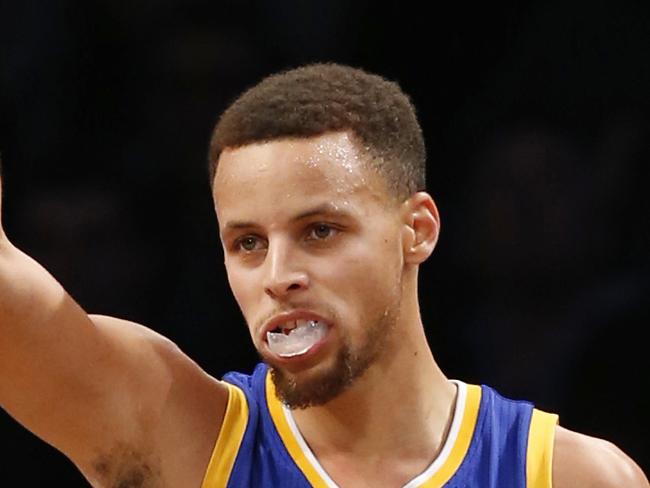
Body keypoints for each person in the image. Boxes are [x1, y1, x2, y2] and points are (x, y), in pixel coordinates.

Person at [0, 63, 647, 488]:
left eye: (319, 231)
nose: (278, 275)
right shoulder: (179, 438)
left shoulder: (567, 475)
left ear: (416, 230)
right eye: (248, 242)